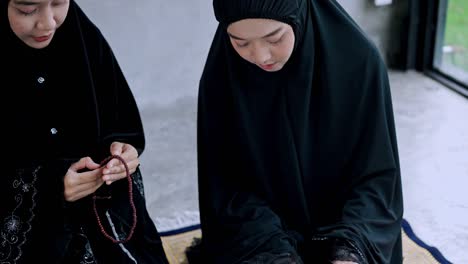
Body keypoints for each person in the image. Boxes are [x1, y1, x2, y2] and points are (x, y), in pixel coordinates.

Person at [192, 0, 404, 263]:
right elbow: (225, 189)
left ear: (299, 16)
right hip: (258, 233)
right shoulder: (222, 77)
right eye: (241, 43)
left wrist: (350, 248)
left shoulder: (359, 63)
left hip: (345, 229)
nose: (260, 56)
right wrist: (274, 252)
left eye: (275, 38)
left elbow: (377, 179)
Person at [1, 0, 168, 263]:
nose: (48, 23)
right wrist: (50, 184)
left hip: (95, 213)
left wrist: (123, 150)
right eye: (27, 9)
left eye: (58, 2)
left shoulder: (81, 36)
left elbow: (120, 121)